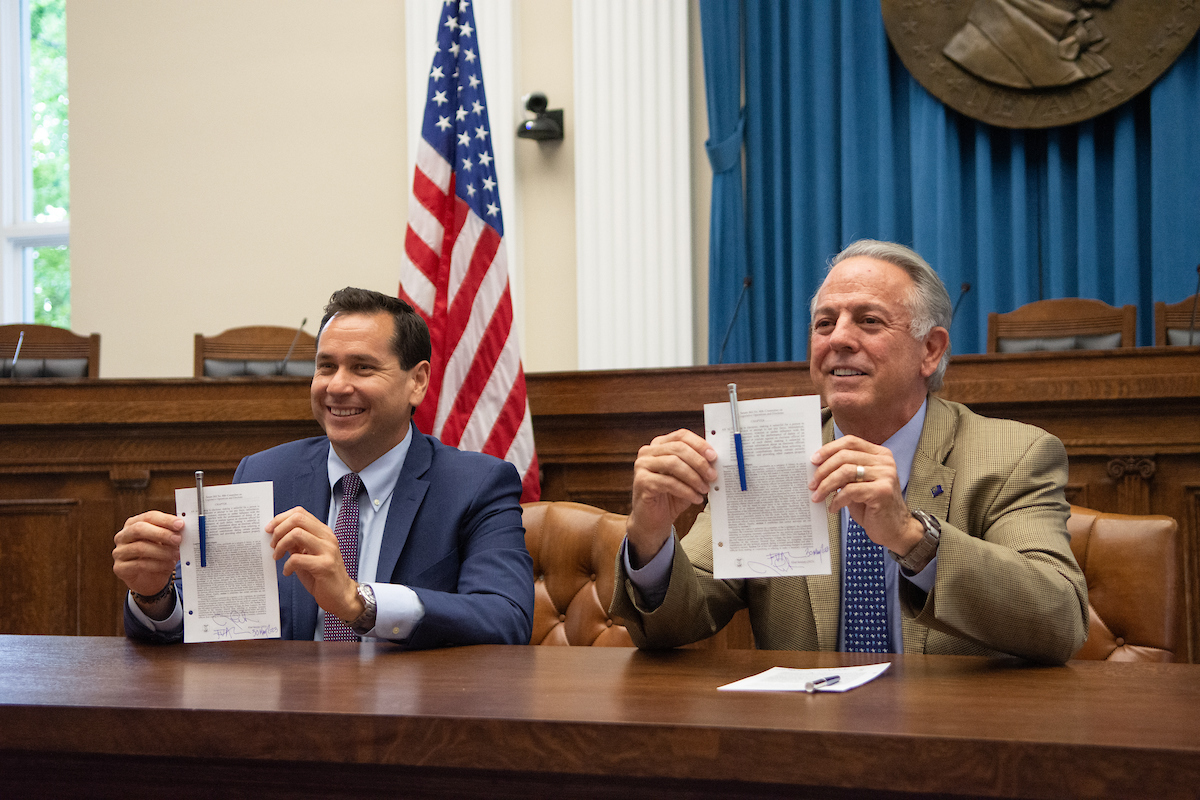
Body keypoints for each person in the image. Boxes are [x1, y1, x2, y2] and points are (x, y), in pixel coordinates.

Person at [611, 240, 1088, 664]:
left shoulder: (1013, 456)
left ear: (931, 350)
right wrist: (651, 537)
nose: (838, 338)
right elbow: (679, 620)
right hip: (810, 738)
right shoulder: (767, 455)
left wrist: (911, 537)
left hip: (953, 739)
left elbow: (1059, 618)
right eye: (824, 323)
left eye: (868, 321)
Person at [114, 287, 533, 648]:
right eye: (326, 366)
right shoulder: (265, 472)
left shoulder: (476, 485)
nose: (336, 386)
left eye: (362, 367)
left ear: (417, 382)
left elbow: (506, 618)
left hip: (412, 723)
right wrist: (155, 594)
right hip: (286, 720)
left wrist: (359, 603)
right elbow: (212, 619)